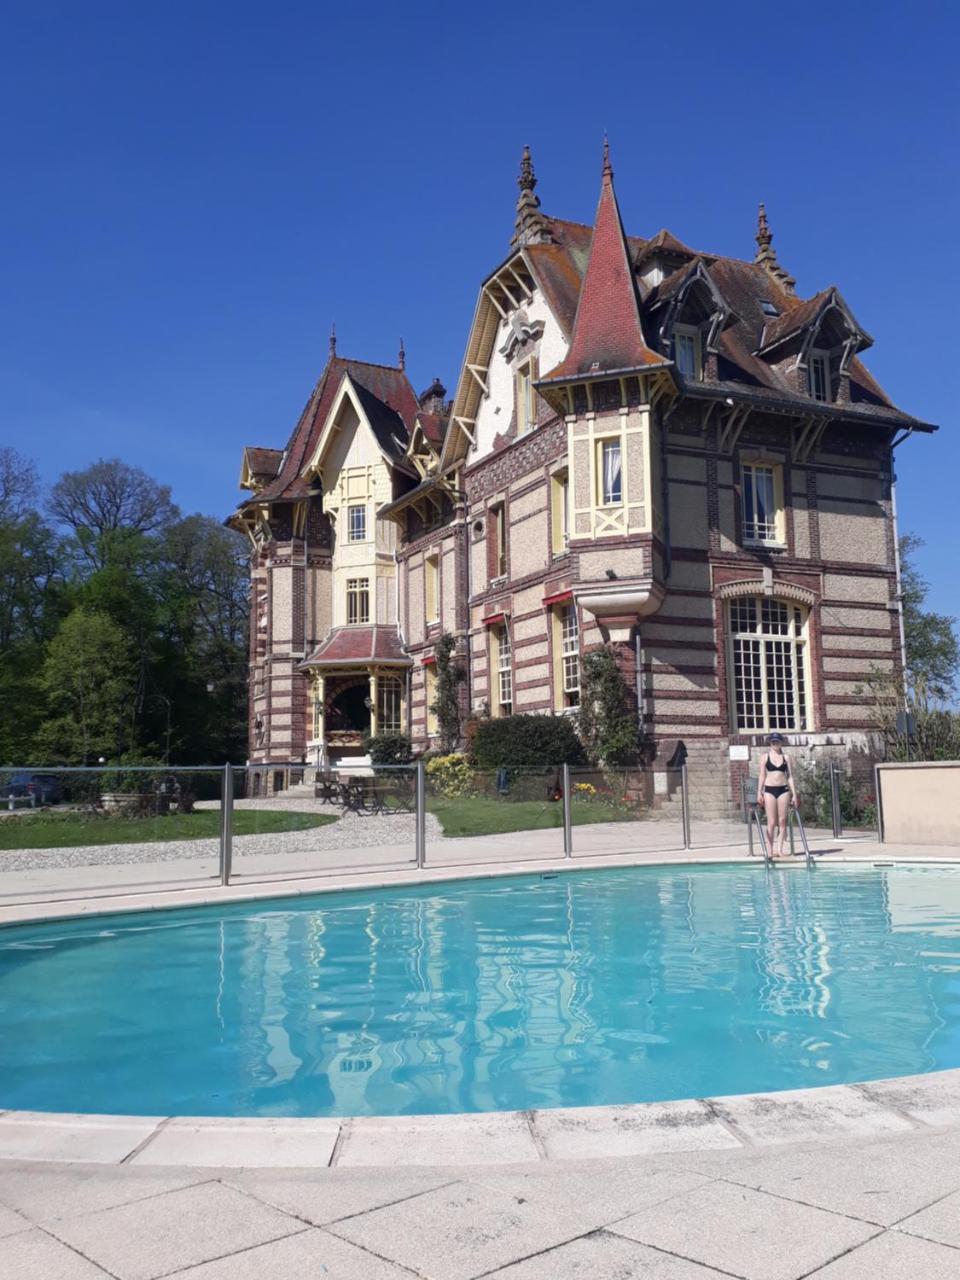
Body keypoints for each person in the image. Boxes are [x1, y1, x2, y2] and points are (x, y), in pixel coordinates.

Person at [756, 733, 799, 858]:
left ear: (781, 743)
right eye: (773, 742)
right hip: (769, 790)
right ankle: (769, 850)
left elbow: (790, 776)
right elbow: (762, 775)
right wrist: (759, 791)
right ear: (770, 743)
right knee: (771, 822)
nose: (775, 744)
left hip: (783, 790)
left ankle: (780, 850)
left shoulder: (786, 757)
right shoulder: (765, 757)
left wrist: (794, 794)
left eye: (777, 742)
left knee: (782, 821)